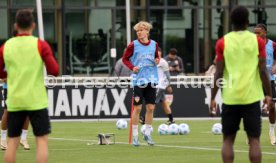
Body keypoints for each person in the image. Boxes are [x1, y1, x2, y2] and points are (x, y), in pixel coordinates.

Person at [210, 6, 274, 163]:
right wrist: (268, 94)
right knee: (254, 140)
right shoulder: (258, 41)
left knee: (228, 140)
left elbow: (218, 73)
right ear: (247, 22)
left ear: (231, 22)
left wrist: (213, 97)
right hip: (251, 98)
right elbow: (263, 70)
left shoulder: (222, 42)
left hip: (230, 98)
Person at [0, 9, 59, 162]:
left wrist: (9, 75)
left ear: (15, 25)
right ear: (33, 25)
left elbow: (0, 73)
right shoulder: (40, 45)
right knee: (41, 142)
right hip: (36, 101)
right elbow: (54, 70)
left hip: (15, 101)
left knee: (12, 142)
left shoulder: (6, 46)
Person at [123, 21, 160, 146]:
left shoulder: (154, 44)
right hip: (139, 80)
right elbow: (125, 59)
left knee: (150, 108)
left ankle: (147, 134)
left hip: (152, 79)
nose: (139, 32)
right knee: (138, 108)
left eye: (141, 30)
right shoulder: (133, 45)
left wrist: (157, 60)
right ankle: (135, 136)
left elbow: (157, 58)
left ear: (147, 31)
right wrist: (132, 67)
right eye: (137, 31)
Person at [140, 47, 175, 125]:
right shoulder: (151, 61)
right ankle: (171, 120)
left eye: (158, 53)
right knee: (164, 103)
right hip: (155, 85)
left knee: (151, 103)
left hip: (159, 85)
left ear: (161, 53)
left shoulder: (163, 62)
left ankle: (145, 119)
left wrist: (169, 85)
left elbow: (168, 75)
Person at [254, 23, 276, 146]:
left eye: (259, 32)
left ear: (265, 33)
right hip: (254, 80)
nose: (256, 35)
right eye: (254, 33)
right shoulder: (251, 45)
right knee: (252, 108)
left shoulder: (272, 45)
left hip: (269, 80)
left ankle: (272, 132)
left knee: (272, 106)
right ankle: (252, 134)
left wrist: (275, 66)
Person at [1, 82, 31, 150]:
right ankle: (3, 139)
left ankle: (23, 138)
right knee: (7, 112)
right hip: (10, 88)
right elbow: (4, 78)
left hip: (24, 88)